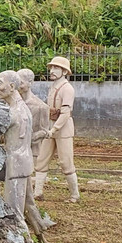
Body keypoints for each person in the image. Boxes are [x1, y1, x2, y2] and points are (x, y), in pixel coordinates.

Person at [0, 70, 47, 243]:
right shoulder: (22, 107)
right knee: (28, 204)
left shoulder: (13, 112)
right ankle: (41, 239)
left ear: (11, 86)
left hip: (15, 164)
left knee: (14, 211)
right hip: (23, 162)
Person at [33, 56, 80, 203]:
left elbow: (65, 113)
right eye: (51, 68)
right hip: (50, 127)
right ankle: (37, 193)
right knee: (41, 159)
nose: (52, 71)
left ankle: (75, 195)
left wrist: (54, 129)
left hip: (62, 130)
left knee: (66, 162)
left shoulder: (67, 89)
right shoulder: (52, 87)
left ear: (65, 71)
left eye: (56, 68)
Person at [17, 68, 55, 230]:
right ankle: (28, 216)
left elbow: (45, 131)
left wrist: (28, 138)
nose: (18, 84)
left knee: (23, 184)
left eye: (21, 81)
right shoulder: (12, 102)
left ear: (29, 83)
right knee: (18, 185)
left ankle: (33, 217)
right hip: (13, 150)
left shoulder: (40, 107)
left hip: (30, 151)